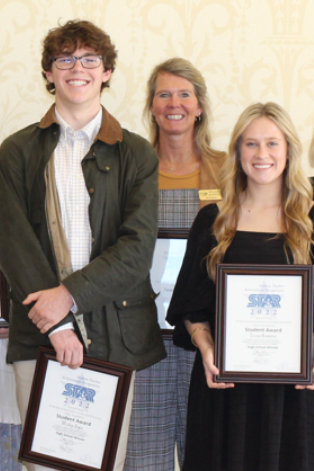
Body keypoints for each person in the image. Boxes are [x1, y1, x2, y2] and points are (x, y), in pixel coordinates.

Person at [0, 20, 166, 471]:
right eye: (65, 59)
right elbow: (13, 243)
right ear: (49, 73)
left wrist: (69, 297)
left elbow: (136, 249)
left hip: (116, 336)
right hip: (39, 335)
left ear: (107, 71)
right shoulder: (15, 152)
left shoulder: (137, 154)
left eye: (90, 58)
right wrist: (56, 325)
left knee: (103, 462)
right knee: (44, 463)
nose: (78, 68)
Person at [167, 102, 314, 471]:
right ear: (237, 152)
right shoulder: (213, 221)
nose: (261, 154)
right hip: (224, 391)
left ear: (289, 150)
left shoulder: (310, 220)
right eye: (250, 144)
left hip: (296, 395)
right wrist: (206, 348)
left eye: (272, 143)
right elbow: (191, 305)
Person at [124, 58, 225, 471]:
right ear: (151, 105)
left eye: (184, 94)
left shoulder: (228, 169)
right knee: (143, 457)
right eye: (163, 94)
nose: (174, 103)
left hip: (207, 337)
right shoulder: (133, 170)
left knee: (210, 452)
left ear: (199, 106)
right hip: (142, 336)